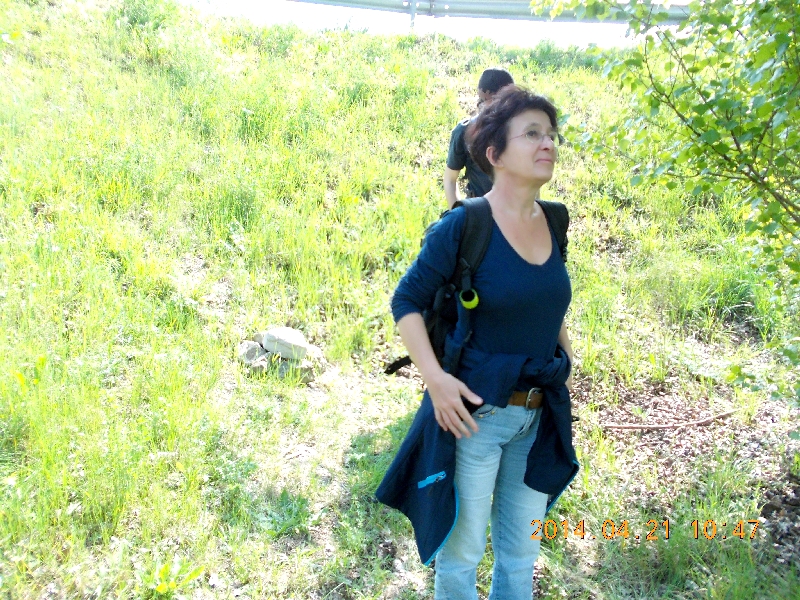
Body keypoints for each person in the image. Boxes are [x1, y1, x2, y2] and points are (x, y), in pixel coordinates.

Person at [377, 86, 579, 600]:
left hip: (538, 414)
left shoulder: (554, 219)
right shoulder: (465, 224)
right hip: (475, 418)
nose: (547, 143)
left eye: (550, 134)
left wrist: (566, 351)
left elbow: (545, 296)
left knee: (521, 554)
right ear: (495, 154)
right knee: (462, 553)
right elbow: (406, 301)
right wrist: (436, 381)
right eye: (531, 134)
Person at [443, 68, 514, 208]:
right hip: (480, 209)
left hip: (515, 210)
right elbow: (450, 179)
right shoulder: (464, 131)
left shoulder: (520, 130)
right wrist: (459, 214)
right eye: (484, 100)